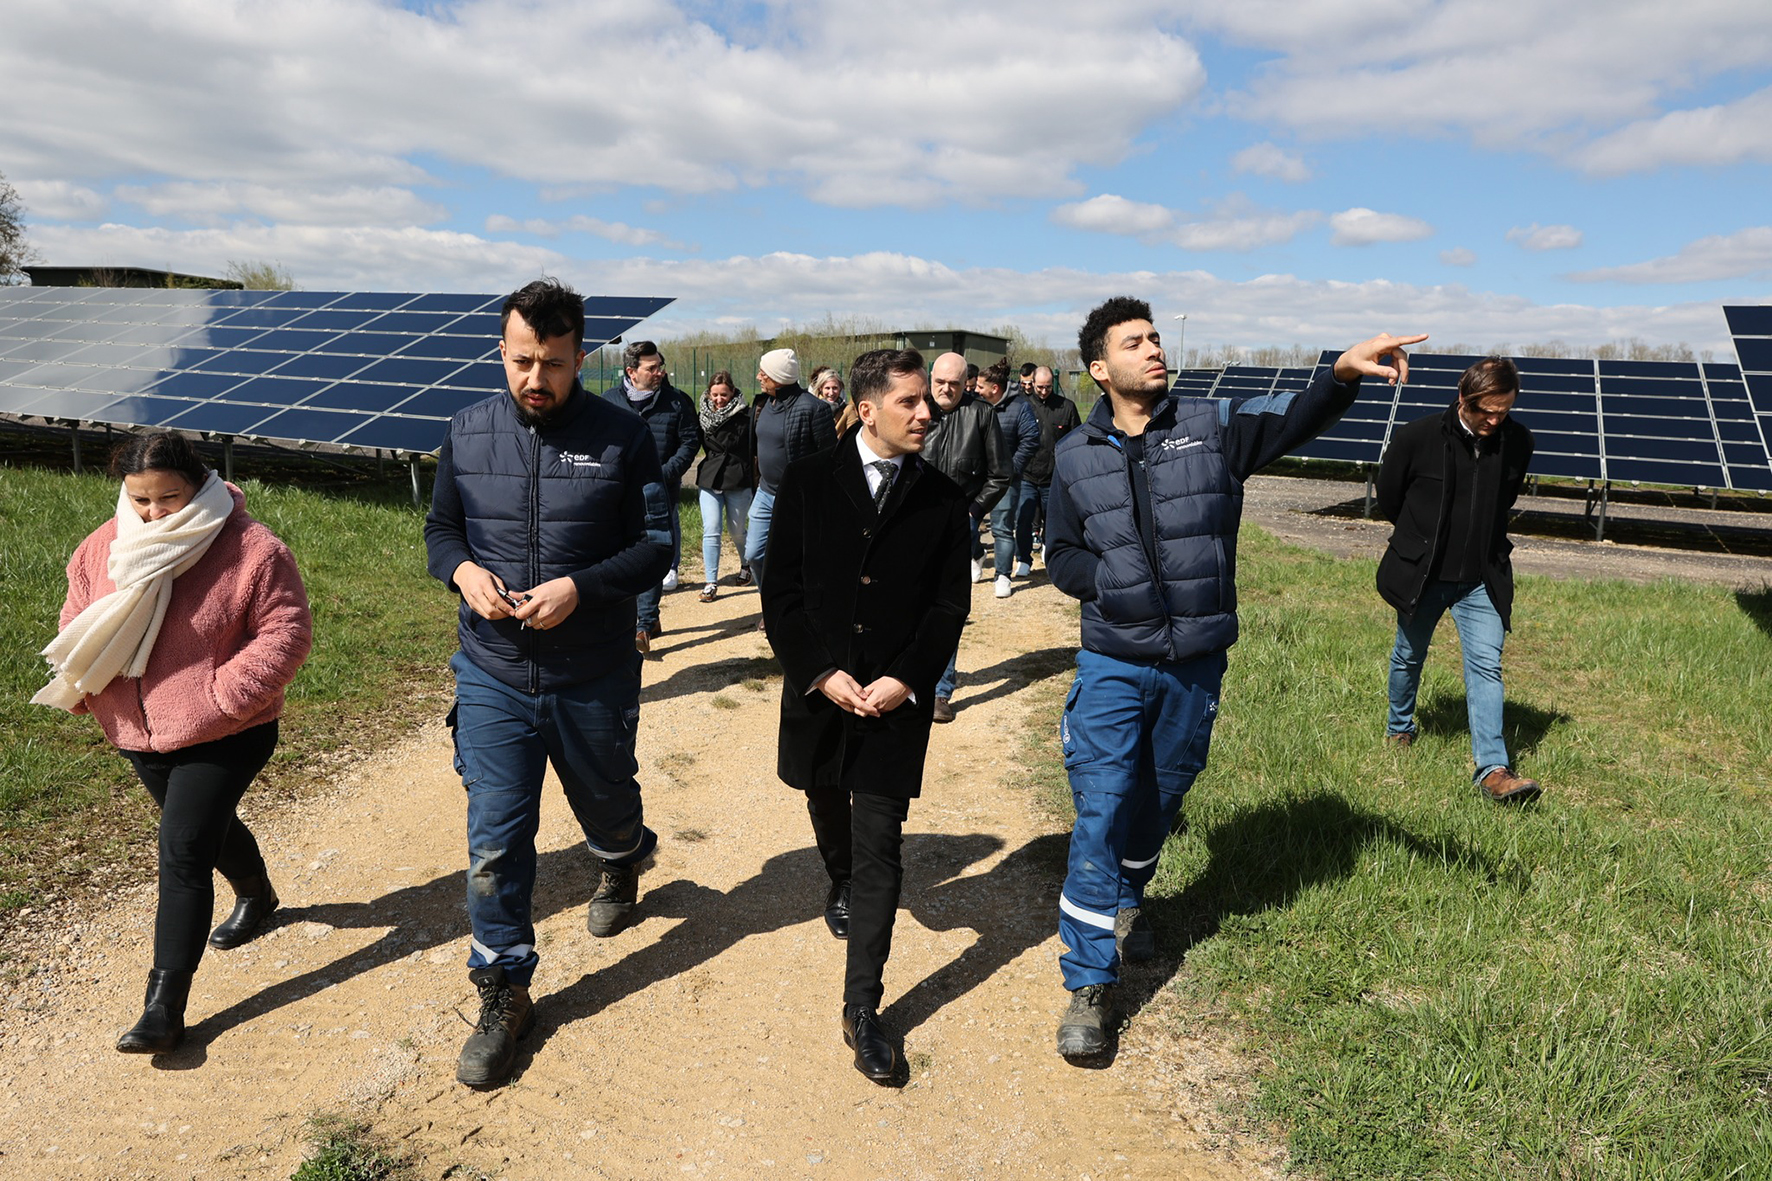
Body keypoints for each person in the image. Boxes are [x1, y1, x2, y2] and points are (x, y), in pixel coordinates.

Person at [1045, 295, 1424, 1059]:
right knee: (1103, 805)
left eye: (1155, 337)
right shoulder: (1072, 454)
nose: (1153, 349)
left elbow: (1295, 417)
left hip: (1195, 663)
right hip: (1114, 657)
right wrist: (1107, 578)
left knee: (1158, 803)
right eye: (1135, 342)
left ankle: (1126, 903)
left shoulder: (1212, 428)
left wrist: (1340, 375)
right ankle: (1089, 983)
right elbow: (1059, 552)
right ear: (1099, 368)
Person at [425, 278, 673, 1088]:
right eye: (523, 361)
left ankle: (622, 854)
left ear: (582, 358)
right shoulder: (465, 432)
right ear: (502, 352)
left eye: (555, 364)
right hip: (493, 671)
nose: (537, 379)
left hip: (592, 668)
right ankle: (504, 988)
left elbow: (657, 544)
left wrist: (584, 588)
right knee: (495, 836)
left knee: (605, 799)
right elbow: (441, 531)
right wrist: (461, 569)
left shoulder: (621, 435)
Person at [36, 430, 312, 1055]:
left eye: (170, 497)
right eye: (141, 499)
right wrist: (85, 681)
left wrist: (220, 699)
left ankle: (164, 1007)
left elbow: (286, 633)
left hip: (231, 728)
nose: (155, 512)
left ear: (199, 485)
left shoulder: (251, 549)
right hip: (139, 730)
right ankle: (258, 893)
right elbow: (77, 615)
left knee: (183, 846)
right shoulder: (101, 548)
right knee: (199, 828)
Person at [761, 347, 969, 1083]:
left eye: (929, 401)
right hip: (821, 693)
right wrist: (819, 670)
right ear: (869, 405)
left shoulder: (945, 500)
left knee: (884, 845)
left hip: (891, 706)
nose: (927, 412)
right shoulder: (810, 482)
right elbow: (780, 590)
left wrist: (907, 678)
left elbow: (949, 606)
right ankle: (837, 872)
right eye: (911, 401)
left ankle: (863, 1009)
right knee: (824, 797)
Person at [1376, 356, 1539, 802]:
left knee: (1486, 666)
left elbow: (1505, 498)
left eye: (1502, 411)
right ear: (1463, 397)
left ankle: (1493, 769)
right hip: (1423, 576)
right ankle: (1399, 728)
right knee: (1409, 655)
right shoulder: (1418, 437)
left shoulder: (1518, 441)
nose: (1493, 420)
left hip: (1480, 579)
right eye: (1485, 410)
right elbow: (1390, 496)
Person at [921, 352, 1011, 722]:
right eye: (940, 382)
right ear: (930, 379)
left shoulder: (981, 415)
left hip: (959, 525)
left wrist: (973, 512)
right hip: (910, 524)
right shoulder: (914, 410)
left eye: (954, 384)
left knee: (948, 606)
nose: (946, 389)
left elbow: (1000, 474)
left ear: (966, 383)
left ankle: (941, 690)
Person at [603, 340, 702, 653]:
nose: (661, 372)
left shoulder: (677, 403)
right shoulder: (608, 403)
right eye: (652, 367)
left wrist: (662, 474)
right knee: (619, 556)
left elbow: (689, 444)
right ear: (632, 372)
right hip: (618, 497)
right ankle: (639, 617)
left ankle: (643, 624)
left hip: (661, 494)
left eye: (660, 365)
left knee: (651, 555)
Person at [744, 347, 837, 594]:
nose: (759, 377)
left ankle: (796, 608)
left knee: (795, 558)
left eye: (763, 372)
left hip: (797, 500)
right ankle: (773, 605)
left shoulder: (814, 409)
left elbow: (830, 458)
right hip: (764, 494)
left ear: (778, 375)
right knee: (754, 553)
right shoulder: (762, 404)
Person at [975, 361, 1038, 598]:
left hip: (1006, 481)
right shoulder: (976, 405)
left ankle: (1002, 576)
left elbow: (1031, 439)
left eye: (981, 386)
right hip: (976, 477)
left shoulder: (1020, 408)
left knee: (1002, 528)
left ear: (995, 388)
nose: (976, 389)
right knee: (968, 524)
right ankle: (977, 553)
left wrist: (1010, 469)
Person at [693, 370, 755, 601]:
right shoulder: (702, 416)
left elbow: (753, 449)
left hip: (738, 478)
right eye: (715, 395)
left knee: (737, 530)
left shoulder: (747, 416)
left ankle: (746, 564)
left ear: (733, 393)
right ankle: (711, 583)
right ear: (709, 394)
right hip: (710, 479)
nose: (719, 400)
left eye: (724, 395)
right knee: (711, 530)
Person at [1015, 365, 1080, 577]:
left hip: (1053, 476)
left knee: (1052, 520)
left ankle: (1049, 553)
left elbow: (1076, 440)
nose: (1044, 391)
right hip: (1026, 474)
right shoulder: (1022, 406)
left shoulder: (1066, 407)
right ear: (1031, 384)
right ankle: (1023, 559)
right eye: (1040, 387)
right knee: (1023, 518)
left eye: (1048, 387)